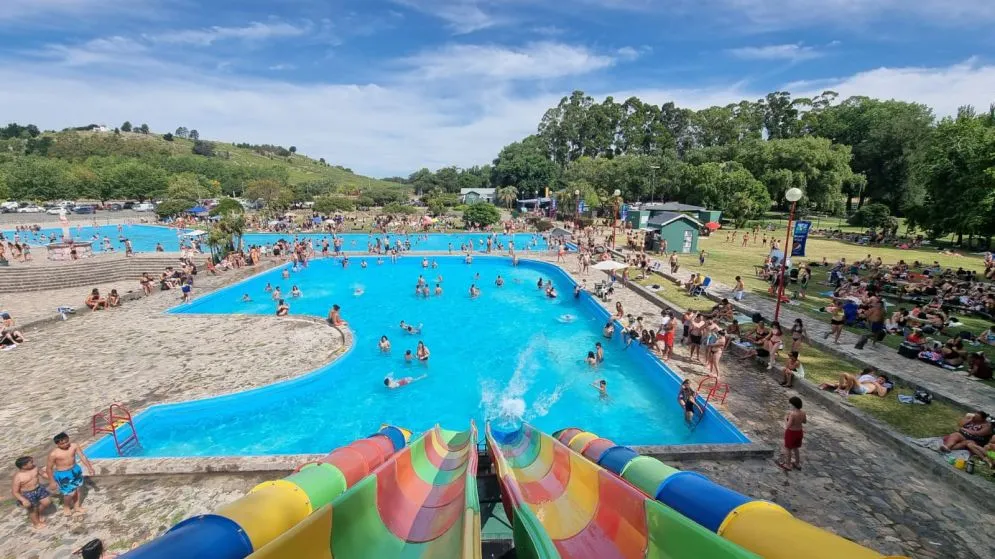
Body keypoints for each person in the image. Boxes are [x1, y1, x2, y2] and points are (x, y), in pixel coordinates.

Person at [47, 432, 94, 516]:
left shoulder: (74, 446)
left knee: (78, 490)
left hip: (75, 470)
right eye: (62, 443)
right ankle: (66, 506)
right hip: (63, 474)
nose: (66, 444)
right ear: (57, 444)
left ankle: (77, 507)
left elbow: (82, 456)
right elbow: (49, 468)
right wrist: (52, 481)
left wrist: (89, 468)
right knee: (69, 493)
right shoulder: (54, 454)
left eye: (67, 441)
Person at [11, 456, 52, 528]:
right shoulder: (18, 477)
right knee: (32, 509)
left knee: (47, 502)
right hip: (27, 494)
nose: (33, 463)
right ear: (24, 466)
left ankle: (39, 514)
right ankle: (36, 523)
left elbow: (42, 474)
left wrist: (52, 478)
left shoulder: (35, 468)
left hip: (39, 489)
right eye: (31, 462)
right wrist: (23, 500)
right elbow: (15, 492)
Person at [777, 397, 806, 471]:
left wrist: (785, 418)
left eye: (790, 404)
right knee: (796, 448)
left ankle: (788, 465)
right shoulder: (803, 412)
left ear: (793, 405)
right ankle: (797, 463)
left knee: (788, 449)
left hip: (791, 433)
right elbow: (804, 421)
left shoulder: (792, 414)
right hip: (799, 432)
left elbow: (788, 425)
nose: (789, 405)